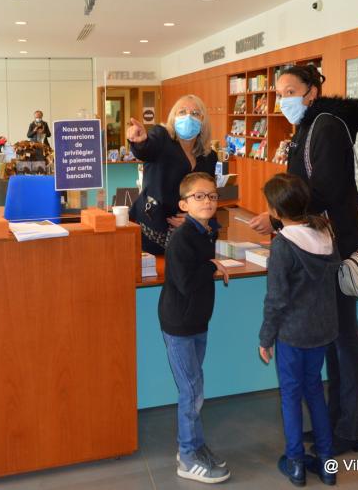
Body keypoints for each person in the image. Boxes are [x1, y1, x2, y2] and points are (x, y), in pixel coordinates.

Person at [249, 64, 358, 455]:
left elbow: (322, 191)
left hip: (334, 249)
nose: (282, 98)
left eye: (290, 90)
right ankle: (335, 423)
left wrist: (277, 217)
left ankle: (351, 429)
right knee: (333, 338)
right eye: (278, 91)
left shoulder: (327, 128)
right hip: (319, 242)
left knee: (343, 339)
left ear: (312, 91)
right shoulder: (311, 126)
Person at [258, 173, 340, 487]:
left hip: (293, 334)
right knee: (316, 392)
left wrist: (266, 338)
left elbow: (276, 300)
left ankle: (295, 463)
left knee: (291, 397)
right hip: (322, 330)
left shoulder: (283, 247)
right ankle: (328, 464)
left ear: (276, 211)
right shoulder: (325, 234)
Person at [159, 172, 230, 484]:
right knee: (191, 391)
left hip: (197, 321)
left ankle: (195, 445)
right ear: (183, 204)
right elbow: (186, 283)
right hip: (180, 324)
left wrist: (209, 266)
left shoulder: (205, 232)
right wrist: (212, 267)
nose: (207, 201)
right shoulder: (182, 238)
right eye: (199, 196)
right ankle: (187, 457)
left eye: (212, 196)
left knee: (195, 387)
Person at [126, 95, 218, 255]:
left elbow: (208, 195)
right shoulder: (162, 137)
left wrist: (197, 220)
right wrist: (139, 141)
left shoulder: (209, 157)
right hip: (150, 232)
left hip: (187, 236)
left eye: (195, 113)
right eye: (182, 112)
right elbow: (146, 149)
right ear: (173, 118)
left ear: (203, 121)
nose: (188, 116)